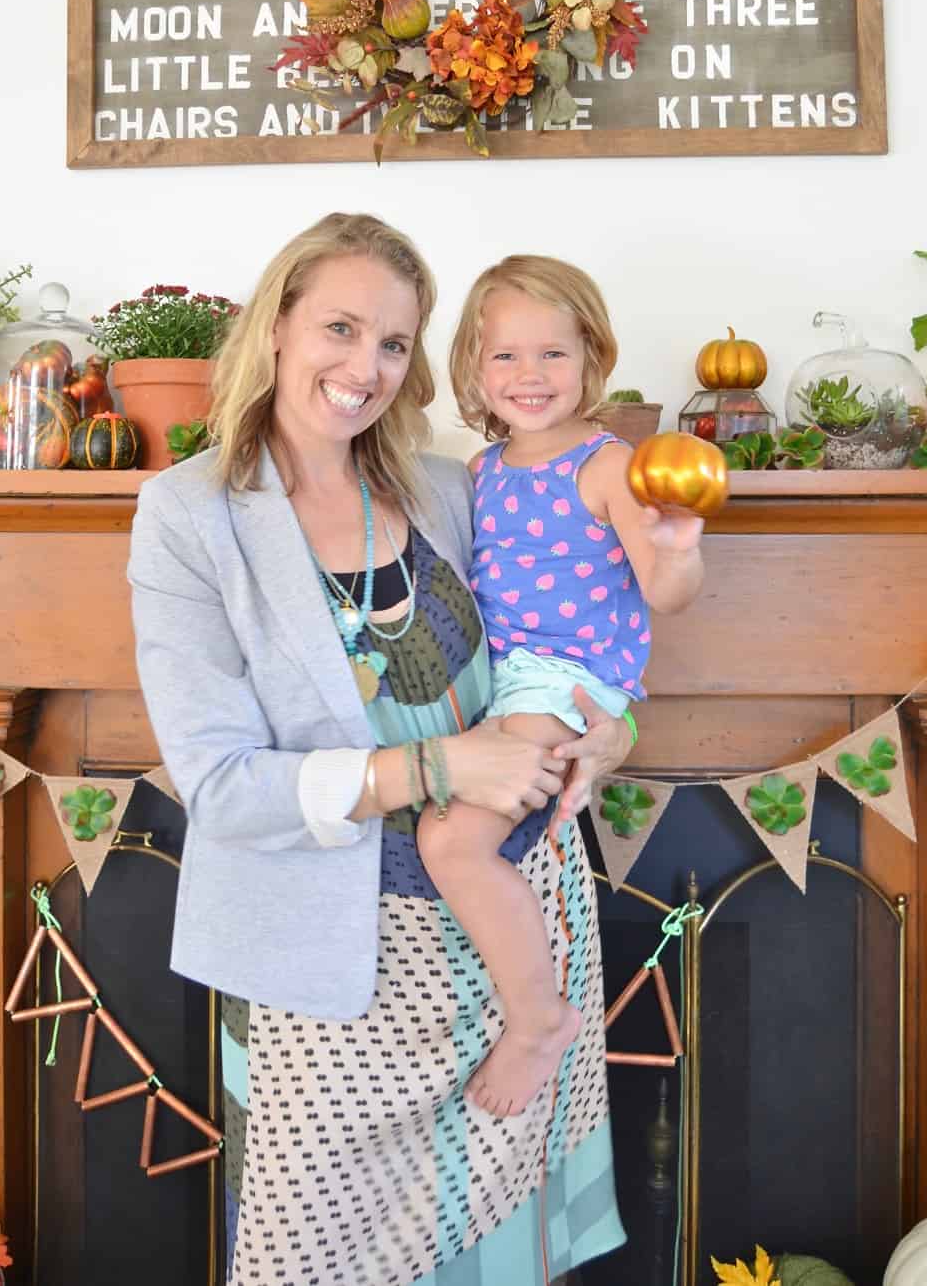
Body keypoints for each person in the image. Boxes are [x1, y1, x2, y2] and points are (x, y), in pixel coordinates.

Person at [127, 213, 633, 1286]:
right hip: (332, 965)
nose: (366, 367)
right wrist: (437, 768)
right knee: (312, 1255)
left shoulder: (453, 488)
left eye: (394, 343)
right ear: (277, 328)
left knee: (496, 1256)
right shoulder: (189, 516)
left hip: (513, 931)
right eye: (342, 328)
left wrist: (612, 727)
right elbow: (219, 785)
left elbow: (568, 631)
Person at [420, 256, 704, 1119]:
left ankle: (539, 1020)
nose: (529, 376)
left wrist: (681, 545)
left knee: (452, 844)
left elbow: (663, 592)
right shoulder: (481, 468)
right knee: (442, 824)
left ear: (592, 357)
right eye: (504, 357)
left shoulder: (610, 464)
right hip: (500, 678)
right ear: (472, 367)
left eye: (552, 354)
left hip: (567, 679)